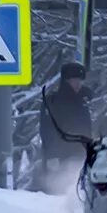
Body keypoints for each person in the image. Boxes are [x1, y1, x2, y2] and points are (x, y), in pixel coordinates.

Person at [39, 63, 92, 193]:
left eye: (80, 80)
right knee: (57, 191)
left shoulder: (83, 101)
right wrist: (52, 155)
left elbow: (87, 129)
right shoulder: (53, 101)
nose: (78, 84)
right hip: (60, 157)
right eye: (74, 80)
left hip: (80, 154)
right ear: (66, 81)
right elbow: (47, 130)